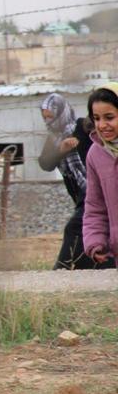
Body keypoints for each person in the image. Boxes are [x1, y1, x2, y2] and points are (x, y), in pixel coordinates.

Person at [40, 93, 111, 270]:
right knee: (94, 230)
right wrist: (61, 150)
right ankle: (101, 266)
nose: (49, 121)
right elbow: (46, 163)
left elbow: (101, 146)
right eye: (45, 118)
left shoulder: (83, 126)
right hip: (81, 195)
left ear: (62, 112)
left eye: (51, 117)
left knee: (74, 228)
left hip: (96, 188)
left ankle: (63, 269)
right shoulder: (53, 137)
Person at [81, 84, 118, 267]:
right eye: (96, 118)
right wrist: (95, 242)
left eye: (109, 117)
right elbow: (95, 206)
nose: (102, 125)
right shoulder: (96, 154)